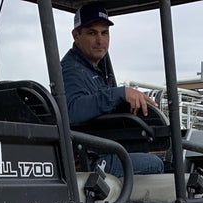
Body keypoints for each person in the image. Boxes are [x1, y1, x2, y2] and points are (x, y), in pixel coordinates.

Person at [61, 2, 164, 178]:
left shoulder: (97, 67)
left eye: (104, 33)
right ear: (76, 35)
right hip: (87, 158)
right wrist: (119, 93)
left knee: (161, 152)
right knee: (155, 165)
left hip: (103, 148)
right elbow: (72, 110)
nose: (100, 40)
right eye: (92, 33)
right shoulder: (71, 69)